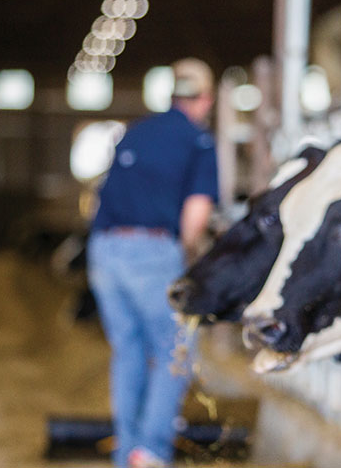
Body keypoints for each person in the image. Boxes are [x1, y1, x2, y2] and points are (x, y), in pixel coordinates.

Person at [87, 57, 219, 468]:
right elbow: (196, 213)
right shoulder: (198, 140)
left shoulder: (134, 132)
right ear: (206, 99)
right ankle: (152, 450)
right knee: (176, 347)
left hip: (104, 249)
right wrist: (184, 254)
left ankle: (128, 453)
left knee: (128, 350)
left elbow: (101, 195)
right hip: (152, 249)